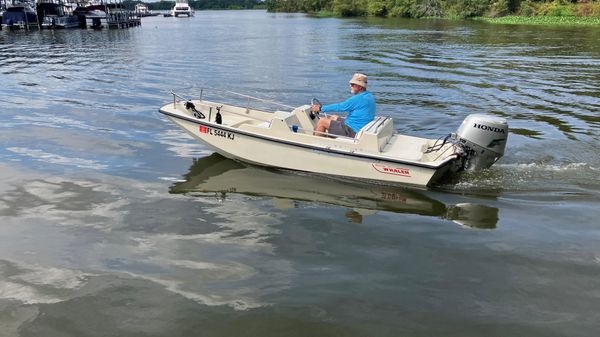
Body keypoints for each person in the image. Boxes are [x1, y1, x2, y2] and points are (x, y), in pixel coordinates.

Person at [312, 73, 376, 138]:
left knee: (322, 121)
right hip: (357, 126)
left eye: (353, 84)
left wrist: (320, 108)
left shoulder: (357, 99)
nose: (350, 86)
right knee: (334, 117)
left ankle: (315, 143)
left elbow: (340, 107)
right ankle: (330, 138)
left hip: (352, 131)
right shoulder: (369, 96)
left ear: (360, 87)